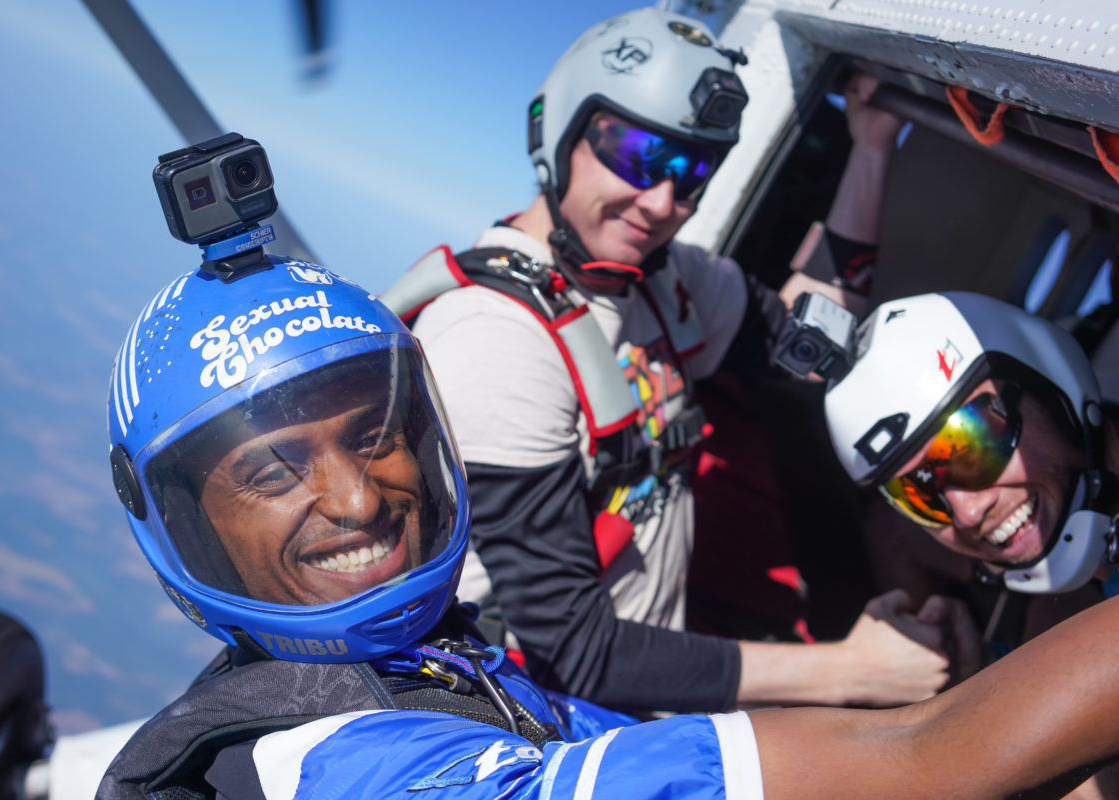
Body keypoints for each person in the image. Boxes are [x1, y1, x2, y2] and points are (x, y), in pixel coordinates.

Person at [100, 257, 1119, 799]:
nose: (357, 497)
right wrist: (866, 684)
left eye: (374, 434)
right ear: (187, 517)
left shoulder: (431, 670)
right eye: (274, 469)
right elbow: (933, 760)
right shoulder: (344, 765)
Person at [385, 6, 954, 713]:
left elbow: (810, 339)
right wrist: (850, 672)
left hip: (646, 693)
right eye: (636, 154)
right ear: (558, 131)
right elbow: (575, 653)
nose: (660, 201)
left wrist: (871, 145)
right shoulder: (493, 338)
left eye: (691, 172)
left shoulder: (664, 283)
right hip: (544, 718)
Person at [824, 289, 1119, 798]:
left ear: (1048, 385)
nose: (966, 511)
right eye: (918, 495)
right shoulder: (1063, 605)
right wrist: (979, 681)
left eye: (971, 446)